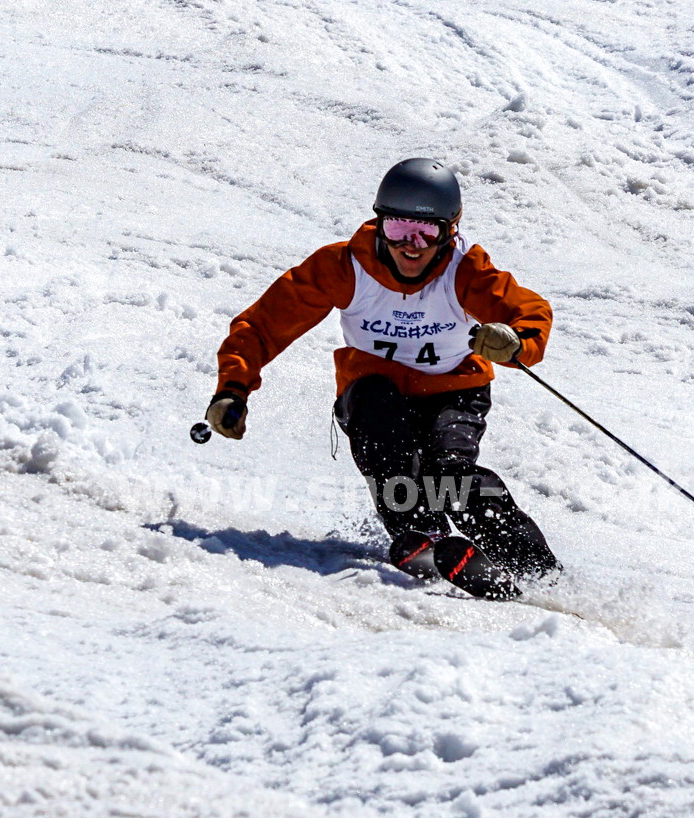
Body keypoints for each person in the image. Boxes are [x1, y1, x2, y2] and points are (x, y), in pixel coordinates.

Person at [205, 157, 559, 584]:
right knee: (379, 424)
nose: (412, 245)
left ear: (451, 231)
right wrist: (233, 388)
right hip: (374, 394)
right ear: (379, 223)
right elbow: (262, 326)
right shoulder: (343, 267)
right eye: (397, 229)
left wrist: (516, 340)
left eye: (428, 232)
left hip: (454, 392)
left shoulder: (465, 271)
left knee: (450, 476)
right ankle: (420, 534)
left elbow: (528, 311)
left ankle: (536, 571)